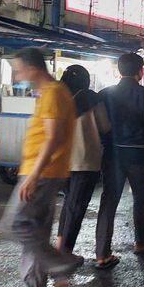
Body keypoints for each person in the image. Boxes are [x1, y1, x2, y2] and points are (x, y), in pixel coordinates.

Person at [0, 48, 80, 287]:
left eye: (19, 69)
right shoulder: (50, 93)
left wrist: (33, 175)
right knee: (38, 232)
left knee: (17, 223)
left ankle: (62, 262)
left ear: (33, 68)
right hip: (45, 171)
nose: (18, 74)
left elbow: (52, 138)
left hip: (42, 173)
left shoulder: (54, 94)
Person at [95, 53, 144, 269]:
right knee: (141, 198)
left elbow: (99, 125)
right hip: (139, 155)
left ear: (119, 70)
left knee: (109, 200)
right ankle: (141, 240)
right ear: (140, 71)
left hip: (113, 155)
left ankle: (102, 252)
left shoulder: (105, 94)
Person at [56, 65, 110, 257]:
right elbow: (105, 127)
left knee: (69, 204)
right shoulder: (92, 98)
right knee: (76, 207)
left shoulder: (58, 98)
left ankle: (61, 246)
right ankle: (64, 253)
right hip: (86, 160)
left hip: (63, 161)